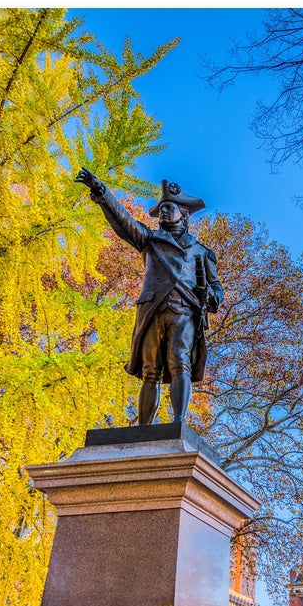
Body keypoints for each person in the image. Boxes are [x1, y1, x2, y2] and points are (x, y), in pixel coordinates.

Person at [74, 168, 222, 424]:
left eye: (169, 207)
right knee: (150, 371)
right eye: (161, 208)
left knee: (180, 363)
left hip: (184, 312)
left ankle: (178, 421)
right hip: (153, 310)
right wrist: (102, 192)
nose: (163, 211)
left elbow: (217, 293)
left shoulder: (202, 252)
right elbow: (125, 222)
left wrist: (208, 293)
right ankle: (143, 427)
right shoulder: (150, 239)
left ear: (184, 214)